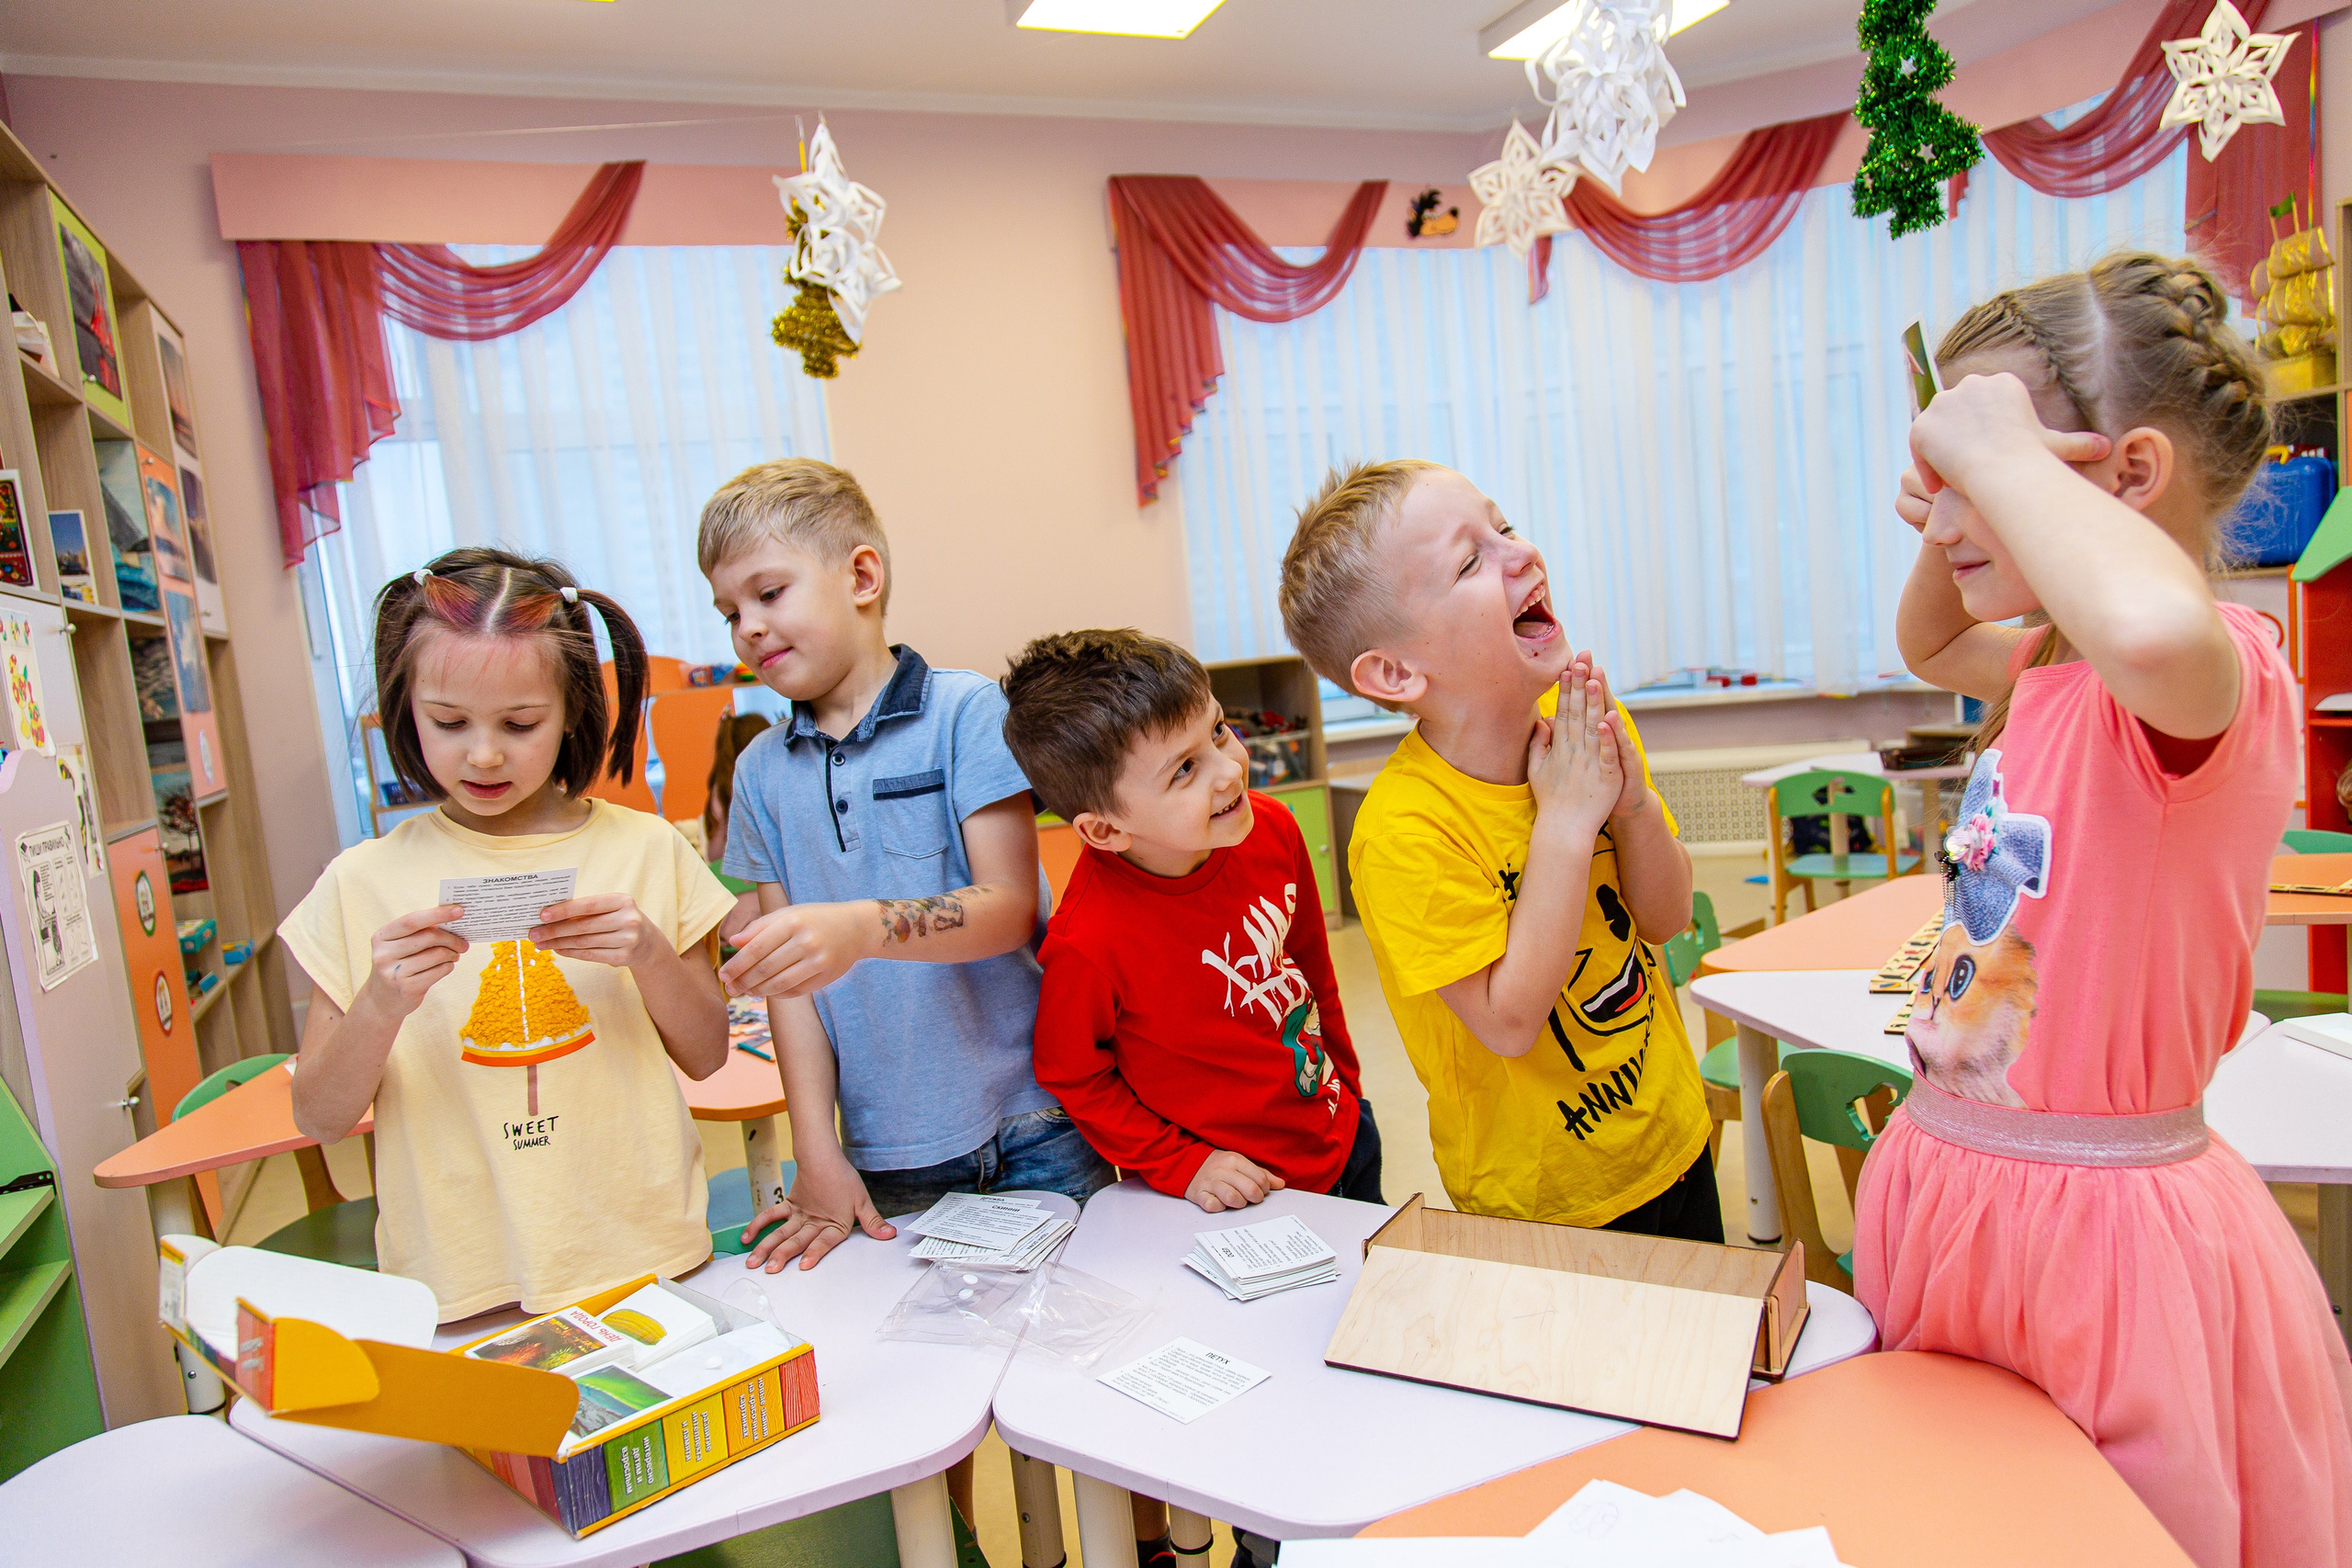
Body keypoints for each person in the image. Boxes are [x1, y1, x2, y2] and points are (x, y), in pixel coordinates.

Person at [1863, 251, 2352, 1566]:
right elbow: (1927, 644)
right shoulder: (2050, 663)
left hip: (2100, 1229)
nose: (1951, 514)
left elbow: (2147, 625)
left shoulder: (2207, 670)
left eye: (1990, 468)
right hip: (1958, 1178)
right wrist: (1960, 489)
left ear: (2130, 472)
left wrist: (1995, 468)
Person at [280, 547, 735, 1322]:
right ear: (405, 709)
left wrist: (648, 952)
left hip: (644, 1256)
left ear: (572, 711)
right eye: (448, 722)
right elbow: (319, 1117)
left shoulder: (648, 849)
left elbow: (707, 1054)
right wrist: (380, 1003)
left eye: (521, 723)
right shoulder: (360, 881)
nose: (484, 753)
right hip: (462, 1280)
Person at [1279, 461, 1716, 1241]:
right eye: (1470, 561)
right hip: (1545, 1203)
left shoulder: (1579, 720)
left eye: (1505, 526)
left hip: (1674, 1136)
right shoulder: (1403, 831)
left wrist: (1632, 806)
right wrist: (1569, 822)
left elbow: (1666, 916)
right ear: (1396, 671)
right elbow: (1510, 1022)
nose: (1522, 553)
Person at [1004, 628, 1380, 1212]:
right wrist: (1181, 1164)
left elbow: (1312, 966)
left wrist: (1350, 1089)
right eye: (1184, 769)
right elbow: (1072, 1074)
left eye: (1219, 731)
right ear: (1105, 829)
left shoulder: (1273, 826)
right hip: (1239, 1191)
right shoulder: (1088, 941)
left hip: (1343, 1132)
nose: (1229, 771)